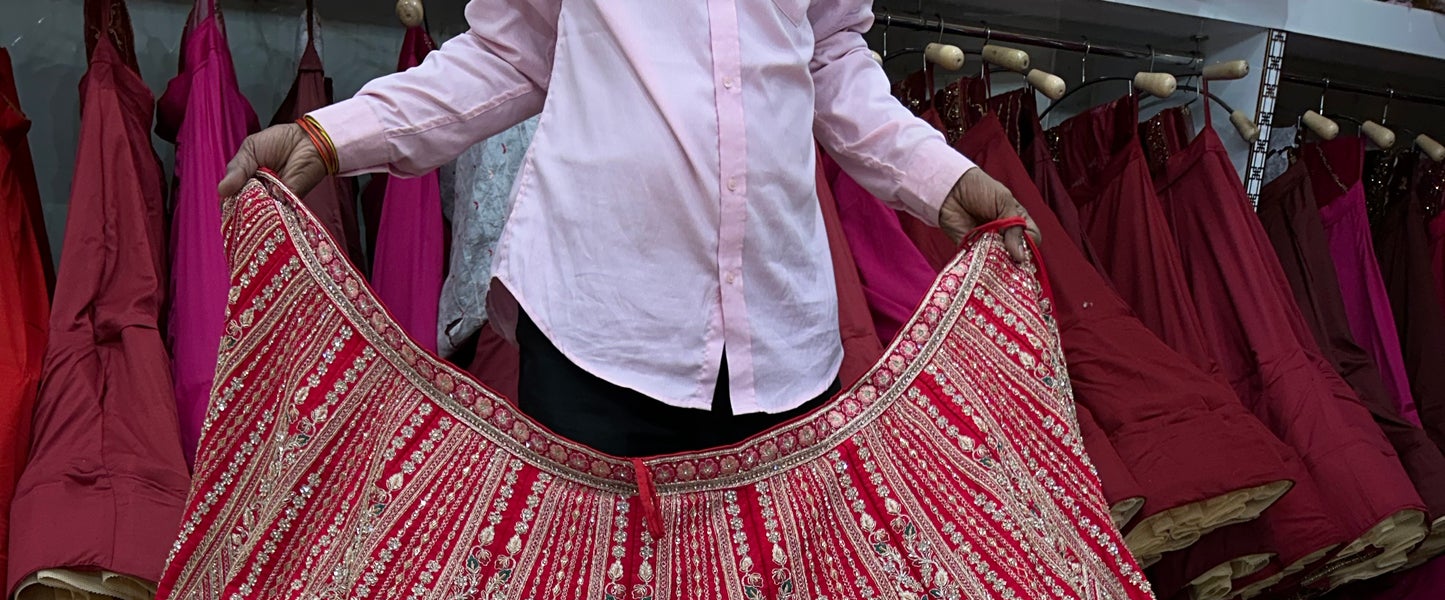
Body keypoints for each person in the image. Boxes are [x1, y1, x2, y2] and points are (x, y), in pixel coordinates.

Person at [218, 1, 1036, 456]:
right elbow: (506, 56)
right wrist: (336, 135)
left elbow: (830, 61)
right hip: (597, 336)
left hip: (784, 347)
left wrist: (942, 177)